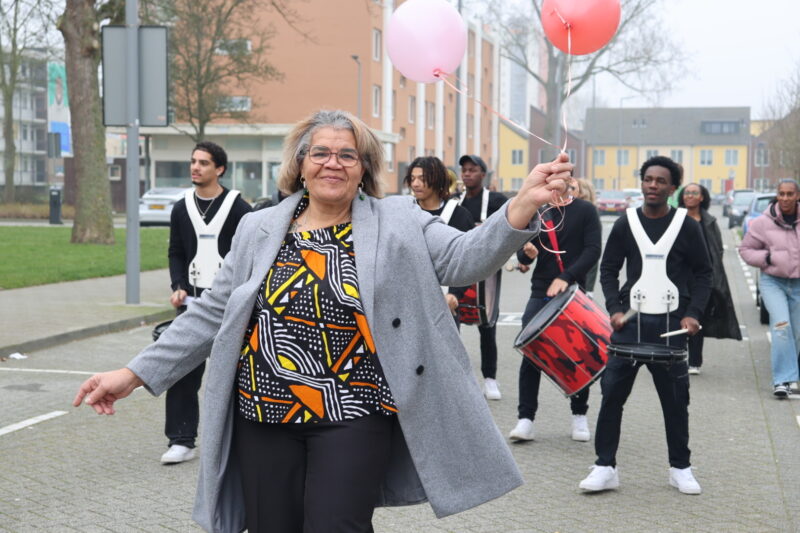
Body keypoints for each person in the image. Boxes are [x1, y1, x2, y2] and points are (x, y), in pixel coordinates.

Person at [73, 109, 573, 533]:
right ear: (301, 164)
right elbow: (209, 312)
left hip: (353, 414)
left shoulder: (397, 219)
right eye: (321, 153)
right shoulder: (259, 226)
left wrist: (524, 201)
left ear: (364, 168)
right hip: (263, 413)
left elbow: (466, 259)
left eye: (347, 154)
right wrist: (133, 374)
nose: (333, 163)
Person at [579, 155, 712, 495]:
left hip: (670, 325)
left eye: (660, 181)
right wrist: (614, 307)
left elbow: (704, 273)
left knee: (675, 404)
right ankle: (605, 466)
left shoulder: (687, 225)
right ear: (642, 183)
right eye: (647, 179)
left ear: (672, 187)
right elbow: (608, 269)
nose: (653, 185)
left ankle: (680, 468)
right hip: (630, 325)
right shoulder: (626, 222)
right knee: (611, 399)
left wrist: (693, 313)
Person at [160, 141, 251, 464]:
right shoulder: (181, 206)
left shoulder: (239, 208)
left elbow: (250, 254)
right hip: (193, 301)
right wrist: (178, 285)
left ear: (219, 169)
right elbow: (176, 252)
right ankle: (182, 439)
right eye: (193, 162)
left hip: (231, 304)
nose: (195, 167)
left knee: (238, 374)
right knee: (183, 369)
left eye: (203, 163)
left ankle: (243, 438)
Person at [509, 182, 602, 442]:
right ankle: (525, 419)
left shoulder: (585, 211)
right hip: (541, 290)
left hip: (573, 291)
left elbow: (593, 250)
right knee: (531, 354)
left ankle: (579, 416)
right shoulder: (539, 212)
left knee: (577, 355)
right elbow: (524, 256)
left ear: (570, 182)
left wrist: (566, 276)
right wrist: (527, 255)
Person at [739, 179, 800, 398]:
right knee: (781, 327)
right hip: (773, 282)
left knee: (797, 332)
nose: (785, 198)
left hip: (799, 284)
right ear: (777, 195)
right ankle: (782, 380)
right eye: (781, 193)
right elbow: (745, 250)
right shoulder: (764, 222)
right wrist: (768, 257)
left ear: (797, 196)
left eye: (789, 194)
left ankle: (794, 377)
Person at [457, 154, 509, 400]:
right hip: (458, 270)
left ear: (483, 174)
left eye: (472, 170)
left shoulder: (497, 200)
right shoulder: (454, 202)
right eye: (464, 170)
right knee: (451, 326)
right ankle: (456, 379)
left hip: (486, 273)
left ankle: (490, 380)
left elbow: (507, 229)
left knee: (487, 326)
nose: (467, 174)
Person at [678, 183, 741, 375]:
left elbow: (717, 249)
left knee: (698, 317)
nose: (690, 196)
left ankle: (694, 361)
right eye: (687, 193)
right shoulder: (675, 219)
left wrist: (711, 274)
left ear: (702, 197)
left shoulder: (709, 221)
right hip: (678, 276)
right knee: (677, 316)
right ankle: (676, 354)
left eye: (694, 193)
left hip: (701, 277)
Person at [404, 156, 475, 317]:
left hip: (444, 302)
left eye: (422, 179)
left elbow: (466, 261)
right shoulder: (405, 212)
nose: (415, 184)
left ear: (437, 180)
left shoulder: (459, 215)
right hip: (410, 302)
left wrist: (455, 295)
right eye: (412, 178)